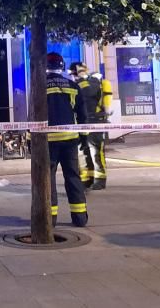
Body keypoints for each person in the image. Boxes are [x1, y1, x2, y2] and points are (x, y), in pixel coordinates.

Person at [46, 52, 88, 227]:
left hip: (48, 141)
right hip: (70, 139)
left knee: (48, 179)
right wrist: (84, 138)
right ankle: (79, 217)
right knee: (72, 177)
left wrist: (29, 139)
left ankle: (50, 219)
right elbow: (82, 114)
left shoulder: (40, 87)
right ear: (62, 66)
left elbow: (32, 115)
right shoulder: (72, 86)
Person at [69, 61, 113, 190]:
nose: (73, 77)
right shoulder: (80, 83)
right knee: (85, 151)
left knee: (96, 151)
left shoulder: (93, 82)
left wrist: (81, 77)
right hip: (83, 122)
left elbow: (88, 92)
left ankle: (100, 180)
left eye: (74, 74)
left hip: (95, 121)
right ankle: (88, 179)